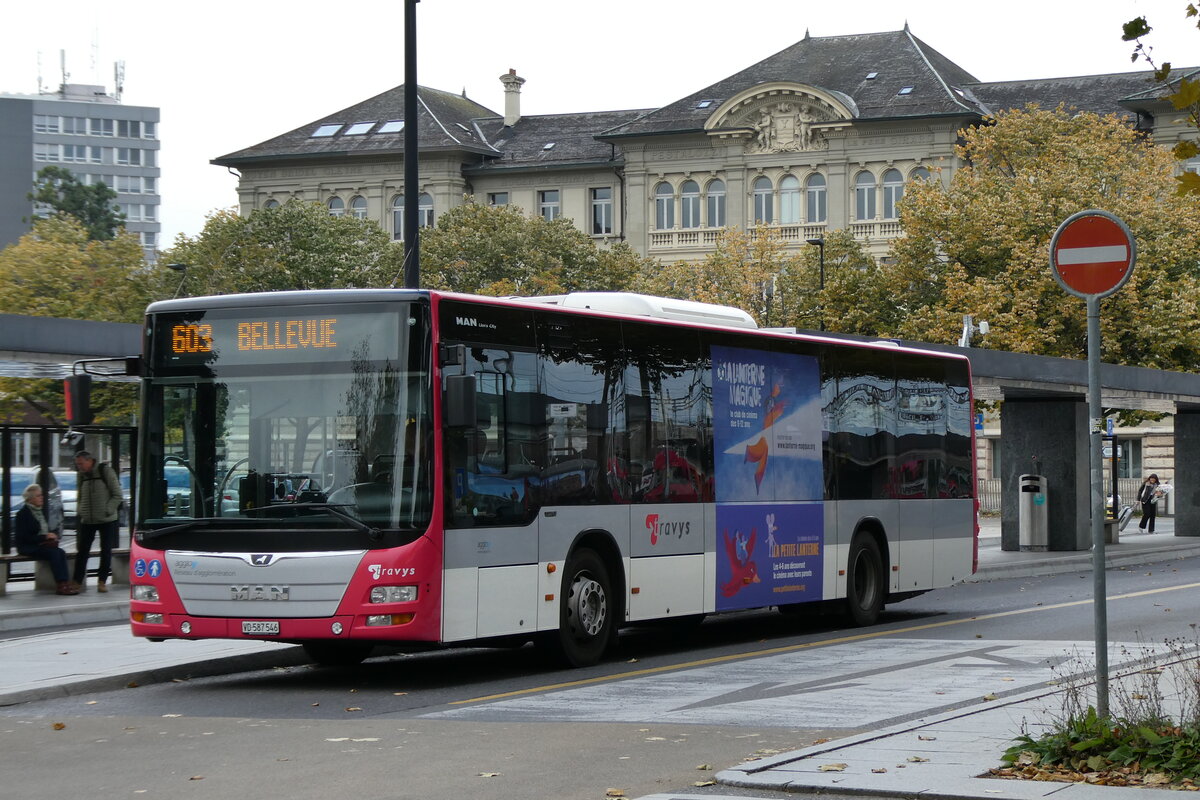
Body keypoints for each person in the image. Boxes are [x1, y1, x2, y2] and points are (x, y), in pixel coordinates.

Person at [72, 451, 123, 592]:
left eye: (81, 464)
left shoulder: (105, 471)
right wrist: (81, 510)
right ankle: (77, 581)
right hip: (87, 519)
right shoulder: (81, 476)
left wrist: (108, 509)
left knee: (105, 550)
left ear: (89, 461)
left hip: (107, 519)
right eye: (77, 464)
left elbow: (118, 495)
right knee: (82, 551)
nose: (80, 467)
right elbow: (79, 495)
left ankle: (102, 581)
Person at [15, 484, 78, 595]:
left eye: (42, 495)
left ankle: (64, 583)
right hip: (28, 546)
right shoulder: (23, 514)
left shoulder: (39, 512)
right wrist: (45, 537)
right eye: (38, 496)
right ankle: (61, 585)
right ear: (30, 499)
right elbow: (24, 537)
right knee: (54, 554)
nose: (42, 498)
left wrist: (49, 537)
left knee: (60, 552)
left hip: (40, 544)